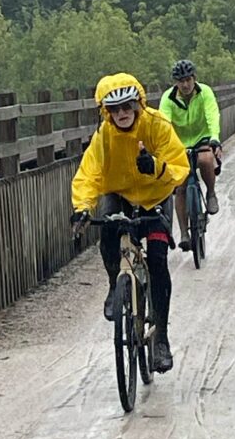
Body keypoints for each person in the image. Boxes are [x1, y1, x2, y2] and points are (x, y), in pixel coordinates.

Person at [71, 72, 189, 373]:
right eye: (114, 109)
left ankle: (160, 337)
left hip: (155, 195)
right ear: (105, 112)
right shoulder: (104, 136)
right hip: (120, 193)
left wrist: (156, 166)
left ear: (138, 104)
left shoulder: (157, 125)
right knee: (109, 235)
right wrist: (83, 208)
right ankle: (115, 284)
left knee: (159, 261)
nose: (122, 113)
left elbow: (179, 166)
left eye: (127, 106)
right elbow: (89, 174)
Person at [159, 59, 223, 250]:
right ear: (175, 83)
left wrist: (215, 138)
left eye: (188, 80)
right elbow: (164, 125)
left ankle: (211, 193)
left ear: (194, 78)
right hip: (178, 143)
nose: (185, 84)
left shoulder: (205, 93)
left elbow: (213, 115)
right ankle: (184, 233)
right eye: (181, 81)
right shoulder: (167, 99)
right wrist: (165, 148)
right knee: (180, 185)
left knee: (205, 159)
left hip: (202, 138)